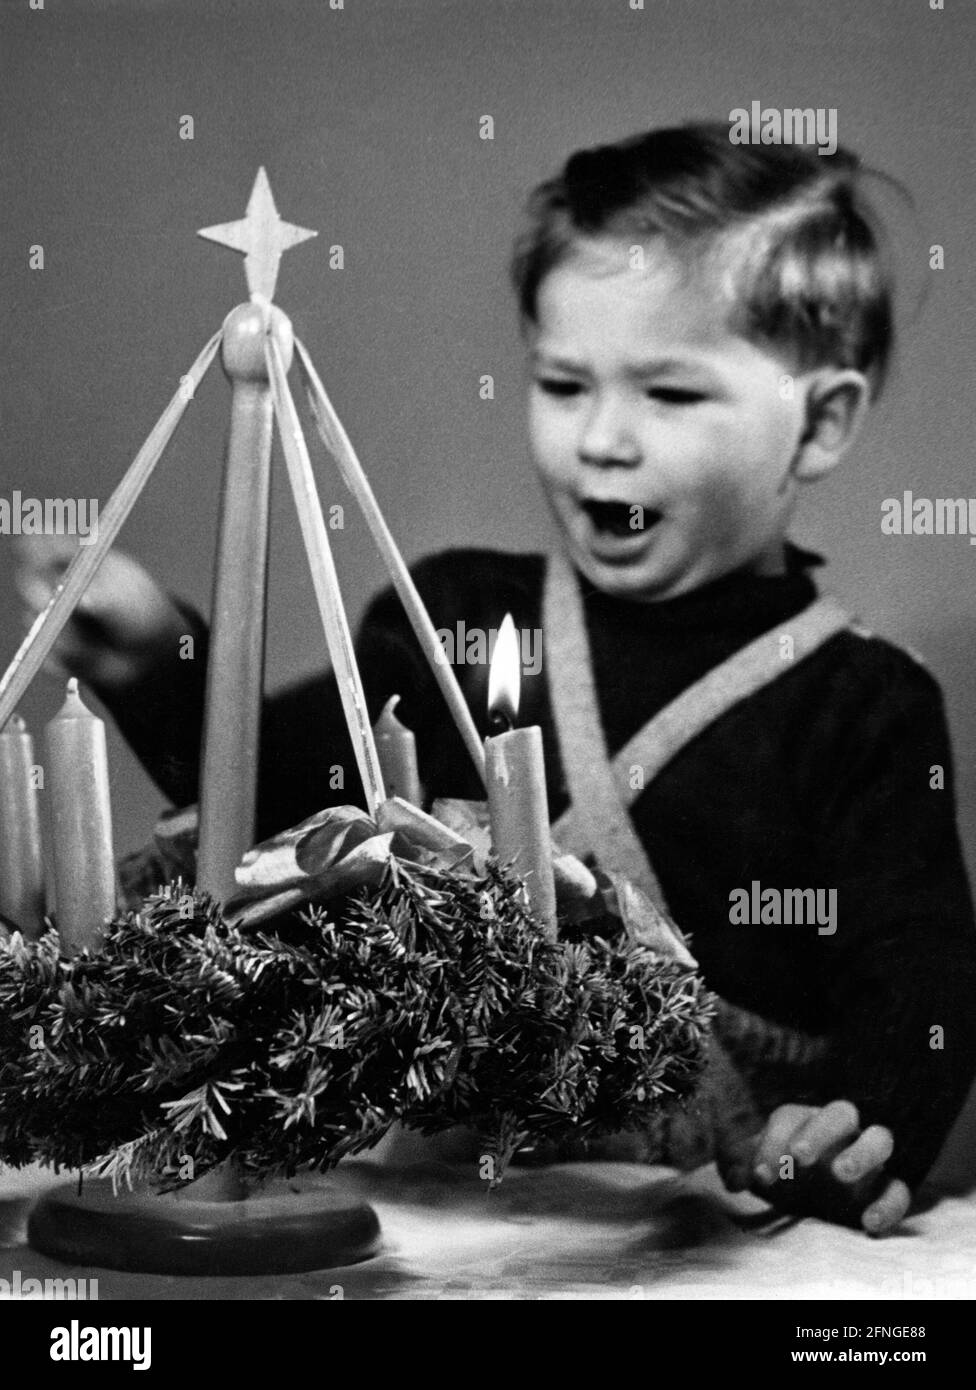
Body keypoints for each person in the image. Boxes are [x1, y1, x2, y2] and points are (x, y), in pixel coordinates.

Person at [15, 122, 976, 1236]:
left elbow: (920, 969)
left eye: (669, 395)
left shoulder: (863, 703)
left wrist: (862, 1121)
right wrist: (149, 658)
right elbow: (280, 804)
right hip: (441, 1208)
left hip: (694, 1227)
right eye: (564, 383)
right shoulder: (459, 615)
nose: (602, 440)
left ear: (820, 421)